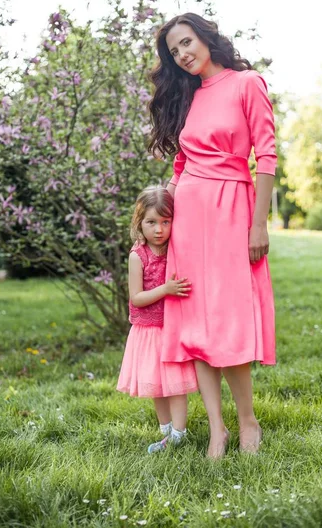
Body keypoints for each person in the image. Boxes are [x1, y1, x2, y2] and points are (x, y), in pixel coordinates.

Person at [148, 13, 277, 458]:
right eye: (175, 51)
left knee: (227, 321)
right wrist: (163, 204)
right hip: (188, 216)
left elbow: (268, 155)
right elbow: (183, 162)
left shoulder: (247, 83)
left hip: (231, 212)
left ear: (206, 37)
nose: (183, 54)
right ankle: (217, 430)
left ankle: (247, 422)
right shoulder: (189, 97)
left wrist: (258, 223)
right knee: (195, 325)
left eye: (187, 43)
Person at [117, 186, 198, 453]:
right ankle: (166, 430)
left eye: (166, 222)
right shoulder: (137, 256)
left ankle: (179, 433)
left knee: (175, 385)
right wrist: (164, 289)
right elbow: (136, 297)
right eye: (152, 222)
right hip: (149, 329)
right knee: (157, 385)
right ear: (139, 223)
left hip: (173, 328)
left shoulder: (176, 249)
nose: (159, 229)